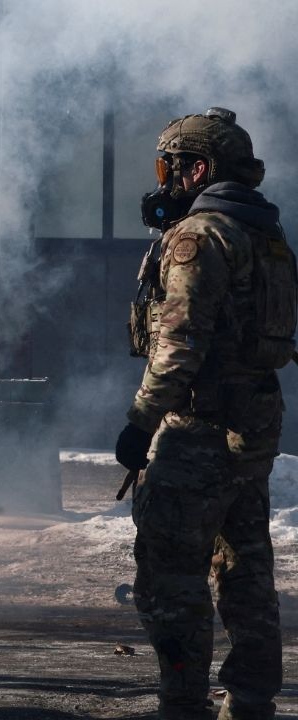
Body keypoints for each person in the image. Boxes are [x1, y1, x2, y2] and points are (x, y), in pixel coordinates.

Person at [117, 108, 287, 720]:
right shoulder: (263, 233)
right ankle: (251, 702)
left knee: (170, 573)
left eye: (170, 168)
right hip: (252, 425)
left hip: (197, 429)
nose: (163, 182)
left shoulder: (199, 236)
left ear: (198, 169)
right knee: (246, 567)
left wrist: (141, 420)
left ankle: (183, 703)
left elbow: (180, 342)